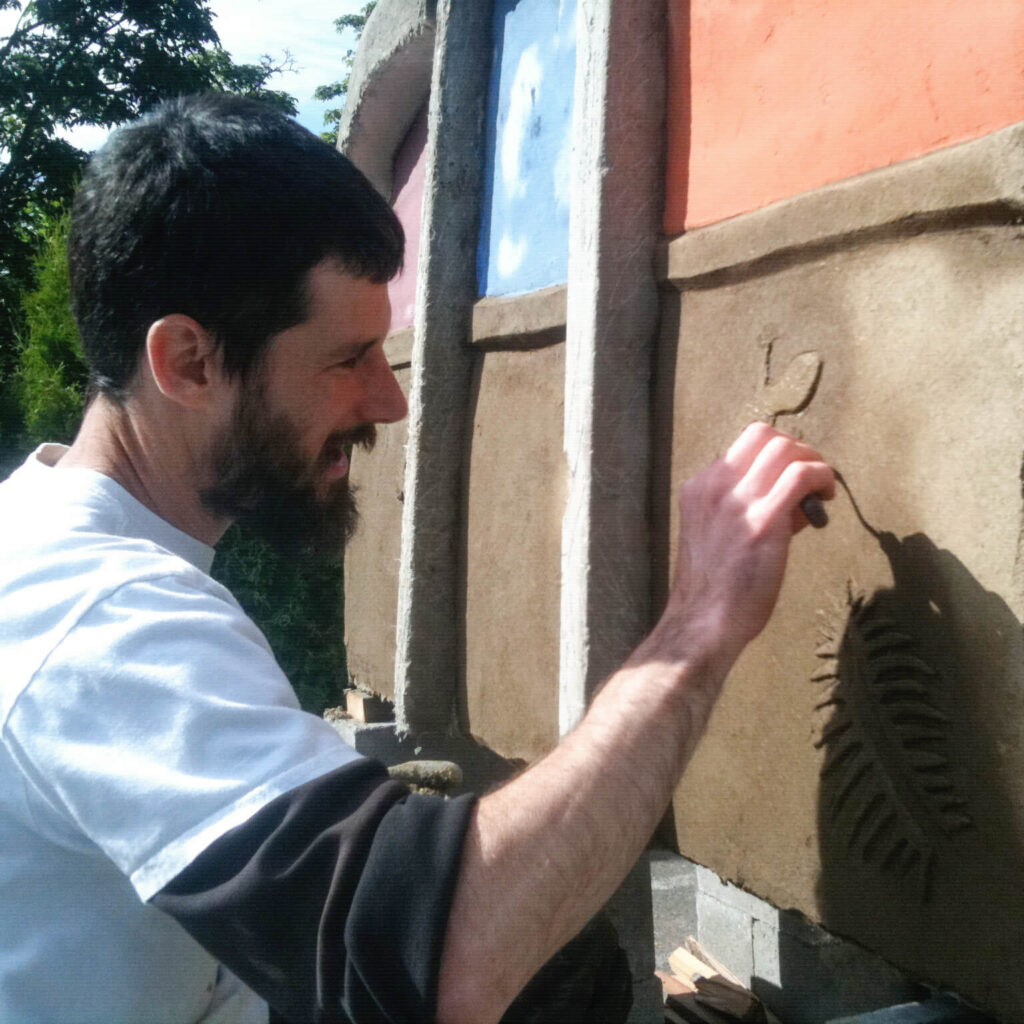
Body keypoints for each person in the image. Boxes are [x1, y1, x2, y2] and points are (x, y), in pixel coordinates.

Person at [0, 93, 834, 1024]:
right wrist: (699, 624)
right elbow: (428, 961)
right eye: (348, 358)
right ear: (189, 362)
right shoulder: (96, 616)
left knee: (559, 968)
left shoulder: (55, 550)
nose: (388, 405)